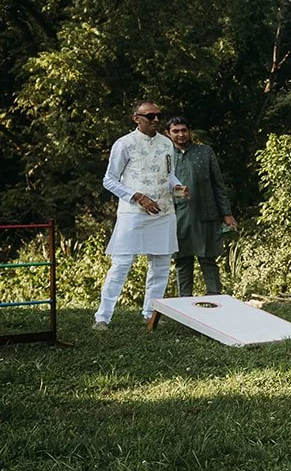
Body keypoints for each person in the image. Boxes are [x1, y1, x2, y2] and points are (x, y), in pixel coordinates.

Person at [93, 101, 187, 330]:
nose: (156, 120)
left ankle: (150, 314)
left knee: (161, 265)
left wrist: (178, 187)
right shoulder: (124, 144)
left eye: (158, 116)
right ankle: (103, 317)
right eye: (150, 116)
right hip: (133, 212)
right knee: (122, 263)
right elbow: (109, 180)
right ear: (136, 118)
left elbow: (169, 174)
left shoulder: (166, 143)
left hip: (163, 212)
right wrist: (137, 197)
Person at [167, 116, 237, 296]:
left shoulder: (205, 152)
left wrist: (226, 214)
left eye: (184, 130)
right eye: (176, 131)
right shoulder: (164, 155)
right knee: (182, 262)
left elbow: (218, 184)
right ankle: (185, 307)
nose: (181, 134)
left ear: (189, 132)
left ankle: (216, 304)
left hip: (205, 214)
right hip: (178, 216)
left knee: (208, 260)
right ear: (168, 133)